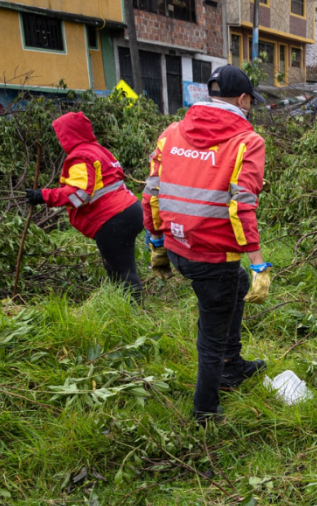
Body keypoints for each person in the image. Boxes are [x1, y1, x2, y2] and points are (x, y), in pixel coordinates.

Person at [141, 65, 271, 423]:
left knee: (237, 286)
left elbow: (150, 192)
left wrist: (156, 242)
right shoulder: (247, 142)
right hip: (214, 258)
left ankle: (233, 363)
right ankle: (205, 410)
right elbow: (243, 206)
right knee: (211, 334)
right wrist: (258, 263)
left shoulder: (171, 133)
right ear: (243, 99)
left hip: (179, 249)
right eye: (250, 102)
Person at [25, 112, 143, 298]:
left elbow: (78, 195)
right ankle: (124, 309)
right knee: (118, 268)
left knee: (122, 272)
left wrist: (43, 196)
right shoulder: (98, 150)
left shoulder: (80, 156)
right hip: (129, 210)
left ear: (67, 135)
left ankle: (134, 316)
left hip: (112, 218)